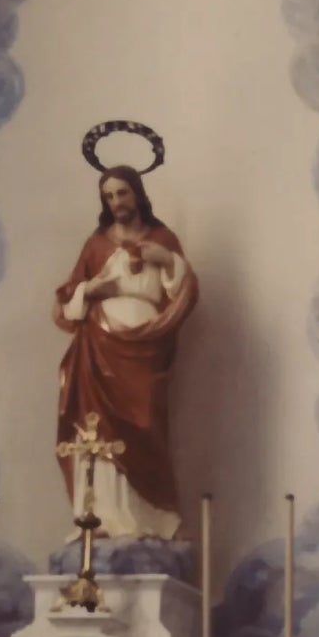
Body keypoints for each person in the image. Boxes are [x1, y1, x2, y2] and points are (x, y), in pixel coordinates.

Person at [53, 165, 198, 539]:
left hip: (146, 345)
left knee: (145, 422)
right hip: (98, 347)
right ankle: (100, 515)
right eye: (109, 195)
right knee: (94, 428)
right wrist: (91, 291)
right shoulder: (97, 243)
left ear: (137, 194)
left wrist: (166, 260)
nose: (116, 201)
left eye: (122, 193)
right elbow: (70, 294)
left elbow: (185, 290)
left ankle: (149, 519)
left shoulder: (162, 237)